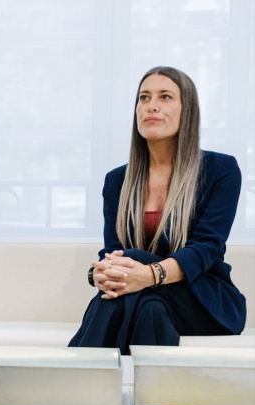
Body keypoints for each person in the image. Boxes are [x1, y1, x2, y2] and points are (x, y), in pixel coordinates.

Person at [69, 66, 245, 354]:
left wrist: (149, 274)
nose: (151, 105)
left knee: (133, 262)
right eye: (144, 97)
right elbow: (113, 250)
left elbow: (206, 248)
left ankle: (77, 372)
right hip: (144, 297)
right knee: (149, 307)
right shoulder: (117, 181)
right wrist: (99, 274)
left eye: (165, 96)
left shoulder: (221, 170)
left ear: (187, 111)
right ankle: (146, 384)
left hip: (204, 301)